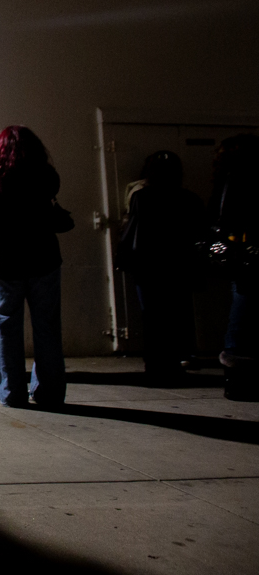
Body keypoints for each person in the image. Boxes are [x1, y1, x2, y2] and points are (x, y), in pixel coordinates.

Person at [0, 125, 66, 408]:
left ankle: (12, 392)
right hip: (44, 261)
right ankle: (49, 392)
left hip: (4, 264)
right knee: (47, 328)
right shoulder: (46, 176)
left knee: (6, 327)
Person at [116, 150, 205, 384]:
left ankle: (156, 365)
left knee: (153, 317)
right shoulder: (190, 199)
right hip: (178, 264)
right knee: (178, 314)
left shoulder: (141, 197)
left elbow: (133, 231)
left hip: (148, 265)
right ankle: (178, 360)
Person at [210, 134, 259, 401]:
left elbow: (221, 219)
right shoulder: (242, 177)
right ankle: (241, 380)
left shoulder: (231, 178)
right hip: (249, 255)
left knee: (242, 316)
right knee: (244, 314)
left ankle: (238, 381)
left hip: (244, 257)